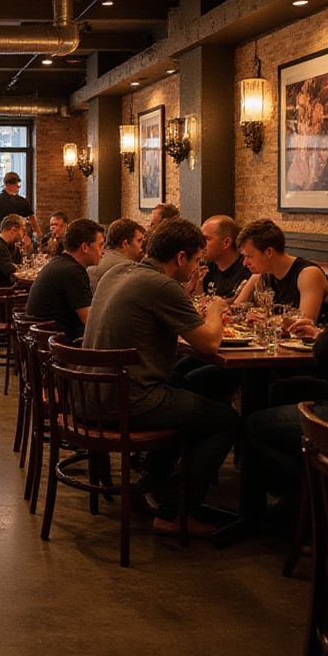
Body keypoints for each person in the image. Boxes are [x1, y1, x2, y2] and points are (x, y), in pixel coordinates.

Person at [82, 217, 239, 537]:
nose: (197, 267)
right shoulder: (162, 284)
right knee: (226, 420)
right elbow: (209, 342)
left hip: (90, 393)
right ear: (180, 258)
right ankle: (175, 512)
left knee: (188, 386)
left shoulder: (118, 271)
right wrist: (215, 308)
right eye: (196, 261)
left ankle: (151, 484)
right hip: (124, 402)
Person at [243, 226, 328, 509]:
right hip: (326, 381)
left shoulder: (309, 274)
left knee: (253, 426)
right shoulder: (263, 275)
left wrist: (320, 336)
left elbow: (323, 354)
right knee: (279, 390)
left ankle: (309, 496)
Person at [234, 218, 328, 323]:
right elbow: (235, 310)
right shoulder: (261, 275)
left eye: (249, 256)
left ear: (269, 252)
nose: (245, 263)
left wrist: (265, 319)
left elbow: (305, 324)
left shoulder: (308, 274)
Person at [25, 218, 102, 341]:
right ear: (85, 247)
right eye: (100, 245)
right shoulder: (73, 272)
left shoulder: (60, 262)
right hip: (54, 348)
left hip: (38, 341)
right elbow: (89, 320)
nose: (103, 251)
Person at [191, 215, 251, 298]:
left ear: (226, 242)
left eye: (206, 239)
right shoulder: (206, 267)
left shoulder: (248, 268)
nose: (200, 244)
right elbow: (199, 302)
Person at [87, 218, 145, 294]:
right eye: (139, 241)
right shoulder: (129, 268)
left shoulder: (94, 261)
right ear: (125, 244)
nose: (142, 246)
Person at [0, 171, 38, 239]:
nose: (18, 186)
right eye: (16, 184)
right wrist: (37, 233)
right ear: (8, 185)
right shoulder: (22, 201)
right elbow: (32, 220)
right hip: (16, 238)